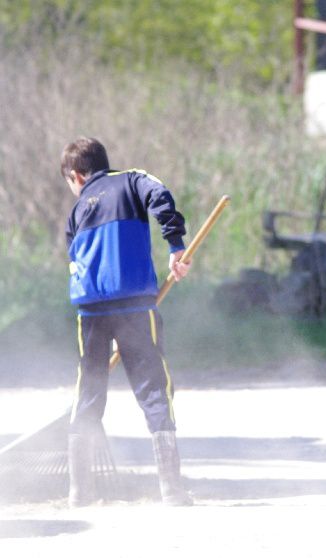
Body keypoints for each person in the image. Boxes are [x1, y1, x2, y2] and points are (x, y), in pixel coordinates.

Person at [61, 137, 193, 507]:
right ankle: (171, 489)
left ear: (76, 175)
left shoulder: (74, 214)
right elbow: (161, 196)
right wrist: (176, 245)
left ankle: (79, 491)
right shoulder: (133, 180)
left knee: (89, 390)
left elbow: (75, 259)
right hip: (134, 305)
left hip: (89, 312)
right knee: (153, 385)